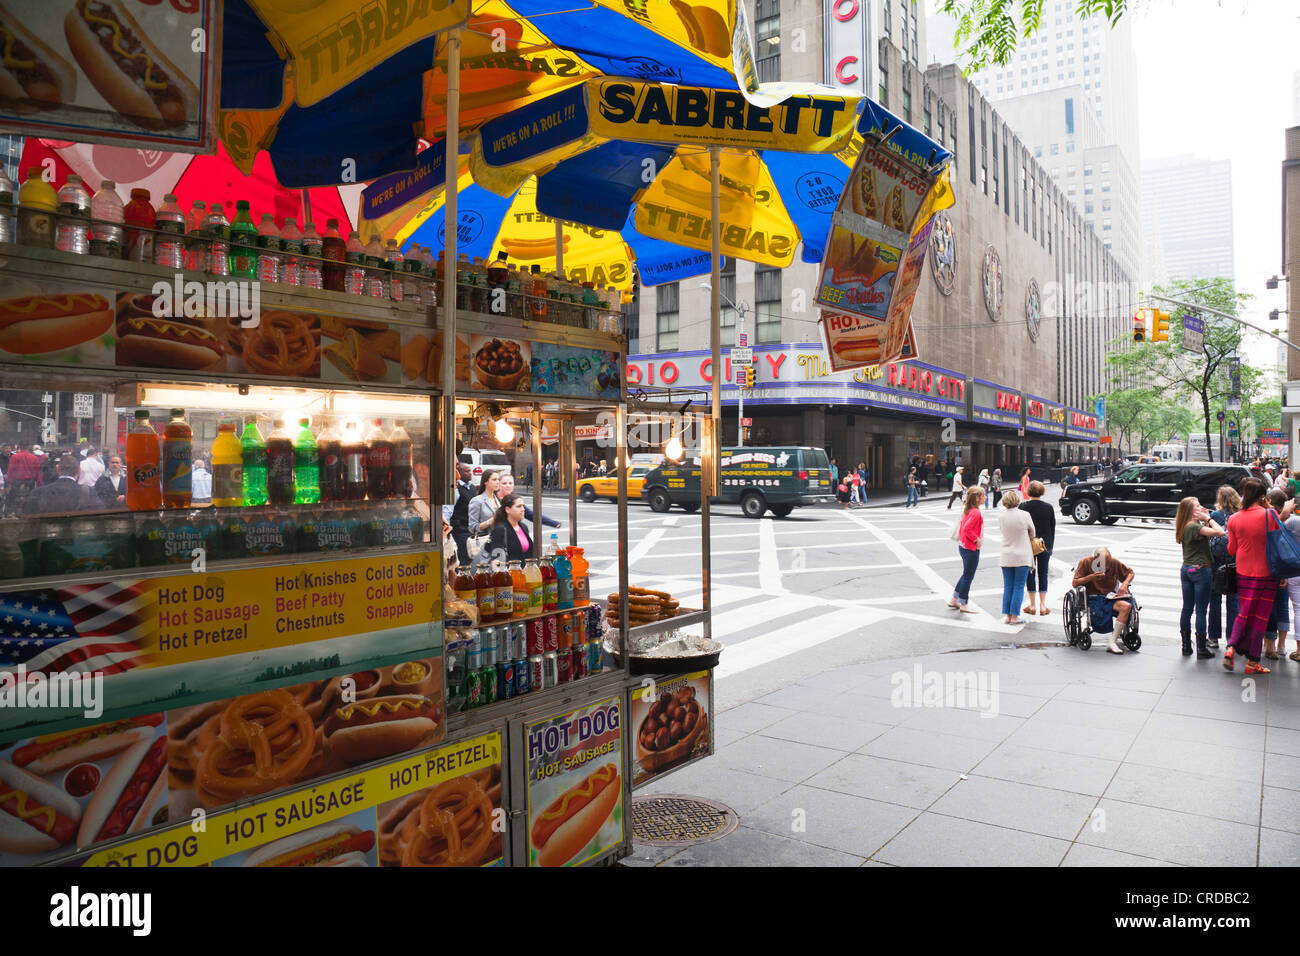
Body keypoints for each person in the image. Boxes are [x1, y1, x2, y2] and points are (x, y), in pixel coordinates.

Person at [1224, 476, 1277, 675]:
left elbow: (1231, 549)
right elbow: (1276, 541)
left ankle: (1231, 647)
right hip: (1266, 573)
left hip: (1243, 571)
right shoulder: (1269, 515)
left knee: (1244, 612)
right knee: (1260, 617)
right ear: (1262, 496)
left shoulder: (1234, 518)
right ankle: (1252, 663)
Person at [1174, 495, 1225, 659]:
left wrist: (1203, 519)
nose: (1201, 507)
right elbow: (1220, 532)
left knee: (1187, 608)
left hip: (1186, 569)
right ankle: (1201, 649)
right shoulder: (1194, 527)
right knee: (1201, 610)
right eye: (1197, 506)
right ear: (1190, 511)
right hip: (1201, 570)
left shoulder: (1185, 525)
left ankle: (1186, 646)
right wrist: (1208, 518)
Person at [1072, 547, 1136, 655]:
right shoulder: (1086, 562)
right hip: (1093, 598)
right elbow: (1075, 583)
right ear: (1095, 560)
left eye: (1108, 563)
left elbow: (1130, 573)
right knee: (1100, 610)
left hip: (1110, 597)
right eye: (1102, 564)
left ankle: (1112, 642)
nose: (1106, 567)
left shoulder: (1114, 563)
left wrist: (1124, 584)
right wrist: (1091, 577)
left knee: (1127, 607)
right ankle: (1110, 638)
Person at [1208, 485, 1241, 650]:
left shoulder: (1215, 515)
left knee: (1214, 599)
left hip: (1216, 561)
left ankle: (1213, 638)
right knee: (1233, 600)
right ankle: (1232, 639)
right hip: (1235, 561)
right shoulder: (1240, 516)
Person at [1263, 489, 1294, 660]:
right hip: (1284, 569)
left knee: (1269, 606)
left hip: (1270, 568)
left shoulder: (1269, 518)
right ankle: (1281, 645)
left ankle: (1269, 644)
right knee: (1282, 606)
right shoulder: (1289, 521)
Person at [999, 490, 1036, 625]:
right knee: (1019, 586)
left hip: (1006, 554)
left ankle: (1008, 616)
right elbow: (1033, 533)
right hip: (1022, 555)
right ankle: (1015, 616)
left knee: (1008, 586)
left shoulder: (1001, 516)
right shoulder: (1025, 515)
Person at [1020, 481, 1056, 616]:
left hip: (1028, 544)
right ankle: (1042, 605)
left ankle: (1032, 604)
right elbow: (1052, 528)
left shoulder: (1023, 506)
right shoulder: (1048, 507)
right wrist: (1051, 546)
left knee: (1030, 573)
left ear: (1029, 492)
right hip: (1044, 544)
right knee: (1043, 573)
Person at [948, 485, 984, 614]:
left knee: (966, 574)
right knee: (968, 576)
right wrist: (976, 539)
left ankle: (954, 599)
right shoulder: (976, 512)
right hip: (970, 547)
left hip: (963, 546)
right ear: (978, 498)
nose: (985, 498)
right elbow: (967, 529)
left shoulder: (967, 510)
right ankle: (963, 603)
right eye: (983, 495)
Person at [22, 455, 95, 515]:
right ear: (79, 470)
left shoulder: (38, 493)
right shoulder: (89, 492)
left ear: (57, 469)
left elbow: (26, 512)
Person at [467, 470, 503, 563]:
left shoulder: (498, 499)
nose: (497, 482)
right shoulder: (477, 501)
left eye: (498, 479)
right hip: (484, 544)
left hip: (500, 542)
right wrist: (491, 520)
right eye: (494, 479)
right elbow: (472, 527)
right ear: (485, 482)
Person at [487, 493, 533, 562]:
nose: (523, 509)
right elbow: (496, 559)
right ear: (508, 509)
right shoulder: (501, 529)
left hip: (524, 570)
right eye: (519, 506)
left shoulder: (523, 527)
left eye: (523, 506)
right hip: (510, 570)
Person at [449, 462, 475, 565]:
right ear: (459, 473)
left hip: (470, 527)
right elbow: (449, 509)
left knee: (471, 554)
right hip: (460, 528)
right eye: (467, 471)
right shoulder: (456, 489)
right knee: (465, 554)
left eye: (470, 471)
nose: (470, 473)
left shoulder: (472, 487)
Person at [4, 443, 41, 514]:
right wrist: (39, 483)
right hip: (30, 483)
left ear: (20, 447)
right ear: (28, 447)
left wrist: (9, 482)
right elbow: (37, 472)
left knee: (13, 501)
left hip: (16, 483)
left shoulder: (14, 457)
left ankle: (9, 514)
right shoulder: (34, 457)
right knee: (29, 501)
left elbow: (10, 471)